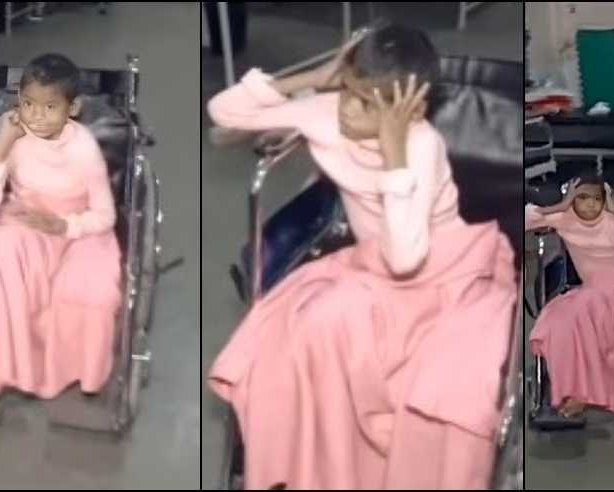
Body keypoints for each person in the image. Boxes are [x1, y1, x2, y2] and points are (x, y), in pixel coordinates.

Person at [206, 24, 517, 489]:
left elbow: (406, 257)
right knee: (309, 333)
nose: (350, 109)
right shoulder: (330, 111)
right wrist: (315, 77)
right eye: (349, 92)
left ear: (409, 111)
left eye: (367, 103)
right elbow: (224, 110)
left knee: (442, 390)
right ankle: (325, 469)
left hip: (444, 269)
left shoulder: (420, 144)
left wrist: (394, 159)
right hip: (372, 267)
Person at [0, 53, 122, 408]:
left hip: (73, 229)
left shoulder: (84, 150)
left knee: (86, 288)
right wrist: (2, 145)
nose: (36, 116)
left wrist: (65, 225)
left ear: (73, 108)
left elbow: (105, 216)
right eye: (28, 104)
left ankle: (25, 365)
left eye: (50, 107)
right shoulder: (15, 134)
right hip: (22, 218)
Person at [525, 175, 614, 418]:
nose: (590, 204)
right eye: (582, 198)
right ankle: (579, 393)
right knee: (561, 324)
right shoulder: (564, 219)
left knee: (596, 317)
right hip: (592, 290)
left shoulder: (613, 221)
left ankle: (595, 393)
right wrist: (561, 205)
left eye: (596, 199)